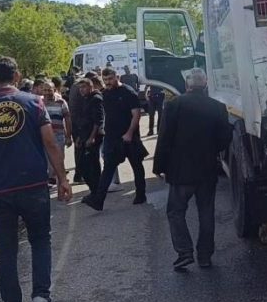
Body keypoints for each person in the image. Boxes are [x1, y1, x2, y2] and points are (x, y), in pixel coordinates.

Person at [0, 56, 71, 302]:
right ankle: (41, 297)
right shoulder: (34, 102)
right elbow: (50, 143)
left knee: (5, 250)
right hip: (33, 186)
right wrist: (63, 178)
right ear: (17, 77)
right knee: (41, 239)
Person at [154, 68, 231, 270]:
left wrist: (159, 166)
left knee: (176, 211)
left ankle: (184, 252)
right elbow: (225, 139)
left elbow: (164, 138)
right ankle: (205, 256)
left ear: (187, 85)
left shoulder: (174, 105)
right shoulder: (218, 107)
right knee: (206, 212)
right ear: (205, 84)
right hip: (207, 170)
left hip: (180, 171)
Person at [82, 67, 148, 210]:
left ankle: (141, 194)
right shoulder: (105, 94)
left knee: (136, 165)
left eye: (110, 79)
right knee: (108, 168)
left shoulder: (128, 92)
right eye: (105, 80)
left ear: (117, 77)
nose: (108, 82)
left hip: (128, 137)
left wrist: (130, 133)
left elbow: (136, 114)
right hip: (113, 138)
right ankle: (98, 200)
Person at [75, 77, 104, 194]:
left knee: (92, 165)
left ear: (90, 87)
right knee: (83, 166)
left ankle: (96, 190)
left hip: (93, 137)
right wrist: (79, 137)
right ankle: (94, 189)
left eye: (84, 87)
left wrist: (92, 137)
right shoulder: (85, 99)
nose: (81, 90)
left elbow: (98, 120)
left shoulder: (96, 99)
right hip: (84, 135)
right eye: (80, 88)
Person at [68, 72, 97, 184]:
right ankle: (81, 175)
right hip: (80, 124)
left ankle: (79, 175)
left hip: (76, 122)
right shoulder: (80, 88)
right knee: (82, 150)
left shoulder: (75, 86)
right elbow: (80, 108)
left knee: (79, 150)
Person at [41, 81, 72, 186]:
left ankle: (61, 182)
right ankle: (50, 179)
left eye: (49, 90)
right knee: (45, 160)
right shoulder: (39, 103)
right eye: (45, 90)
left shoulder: (61, 102)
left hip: (58, 135)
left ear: (54, 90)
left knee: (59, 159)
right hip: (43, 136)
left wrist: (68, 136)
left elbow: (67, 119)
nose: (47, 92)